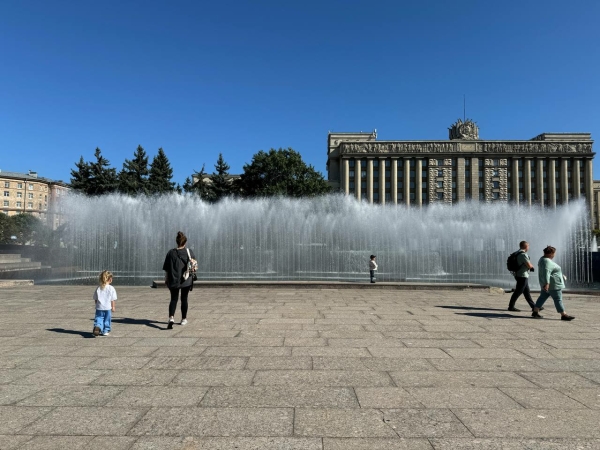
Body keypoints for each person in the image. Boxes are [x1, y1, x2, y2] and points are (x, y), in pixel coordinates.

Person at [163, 231, 196, 329]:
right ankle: (183, 319)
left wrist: (166, 278)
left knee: (173, 299)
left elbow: (167, 268)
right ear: (185, 243)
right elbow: (194, 267)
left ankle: (171, 317)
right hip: (186, 280)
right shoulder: (189, 252)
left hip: (173, 279)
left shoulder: (171, 252)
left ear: (177, 242)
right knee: (184, 299)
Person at [532, 246, 574, 320]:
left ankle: (535, 311)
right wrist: (547, 283)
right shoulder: (547, 261)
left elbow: (549, 271)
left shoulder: (542, 259)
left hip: (547, 284)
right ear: (551, 253)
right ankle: (563, 314)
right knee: (558, 299)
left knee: (542, 297)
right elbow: (546, 272)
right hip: (553, 284)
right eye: (554, 253)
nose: (554, 255)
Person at [507, 241, 538, 312]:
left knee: (526, 292)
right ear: (526, 246)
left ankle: (533, 306)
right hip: (522, 275)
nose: (529, 247)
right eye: (528, 246)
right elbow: (529, 265)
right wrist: (532, 267)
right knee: (518, 291)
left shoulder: (517, 253)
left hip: (519, 274)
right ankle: (511, 306)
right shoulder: (523, 255)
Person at [93, 270, 116, 337]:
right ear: (110, 279)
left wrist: (97, 304)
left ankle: (98, 326)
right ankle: (106, 330)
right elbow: (113, 299)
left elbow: (95, 298)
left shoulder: (98, 288)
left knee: (99, 318)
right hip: (108, 307)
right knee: (107, 319)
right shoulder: (111, 288)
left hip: (99, 307)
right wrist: (113, 307)